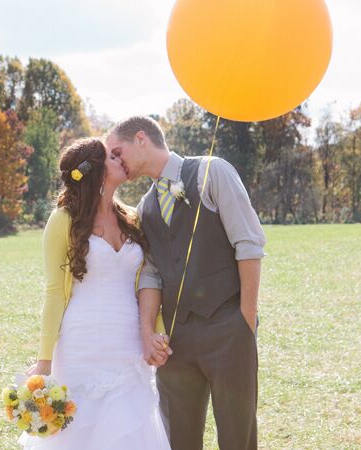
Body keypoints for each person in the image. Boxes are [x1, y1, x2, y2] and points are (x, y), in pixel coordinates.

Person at [106, 116, 267, 450]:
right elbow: (151, 273)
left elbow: (249, 244)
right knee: (177, 440)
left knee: (238, 437)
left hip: (228, 330)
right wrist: (148, 333)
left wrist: (245, 320)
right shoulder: (146, 207)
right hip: (176, 343)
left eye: (117, 152)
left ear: (141, 138)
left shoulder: (213, 172)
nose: (116, 162)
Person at [22, 137, 172, 450]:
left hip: (128, 345)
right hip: (80, 345)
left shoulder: (132, 219)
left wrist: (154, 333)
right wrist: (44, 362)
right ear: (97, 171)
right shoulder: (63, 221)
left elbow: (149, 278)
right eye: (112, 156)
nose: (121, 159)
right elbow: (54, 292)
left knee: (132, 430)